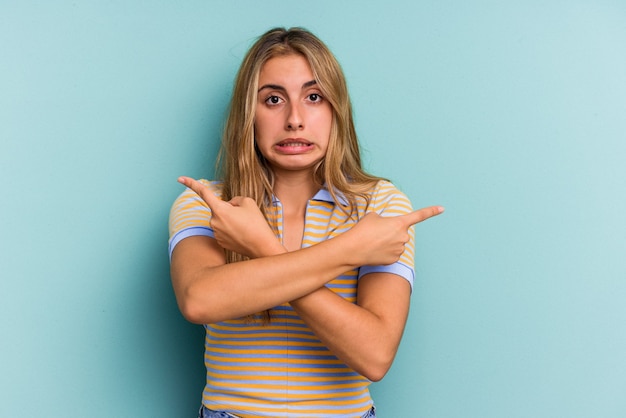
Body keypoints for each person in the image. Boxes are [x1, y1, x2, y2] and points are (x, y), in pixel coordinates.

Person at [168, 27, 443, 418]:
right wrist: (351, 250)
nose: (295, 119)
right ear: (249, 114)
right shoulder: (211, 202)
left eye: (313, 97)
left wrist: (261, 247)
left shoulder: (380, 204)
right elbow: (199, 300)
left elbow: (375, 355)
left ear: (336, 110)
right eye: (273, 99)